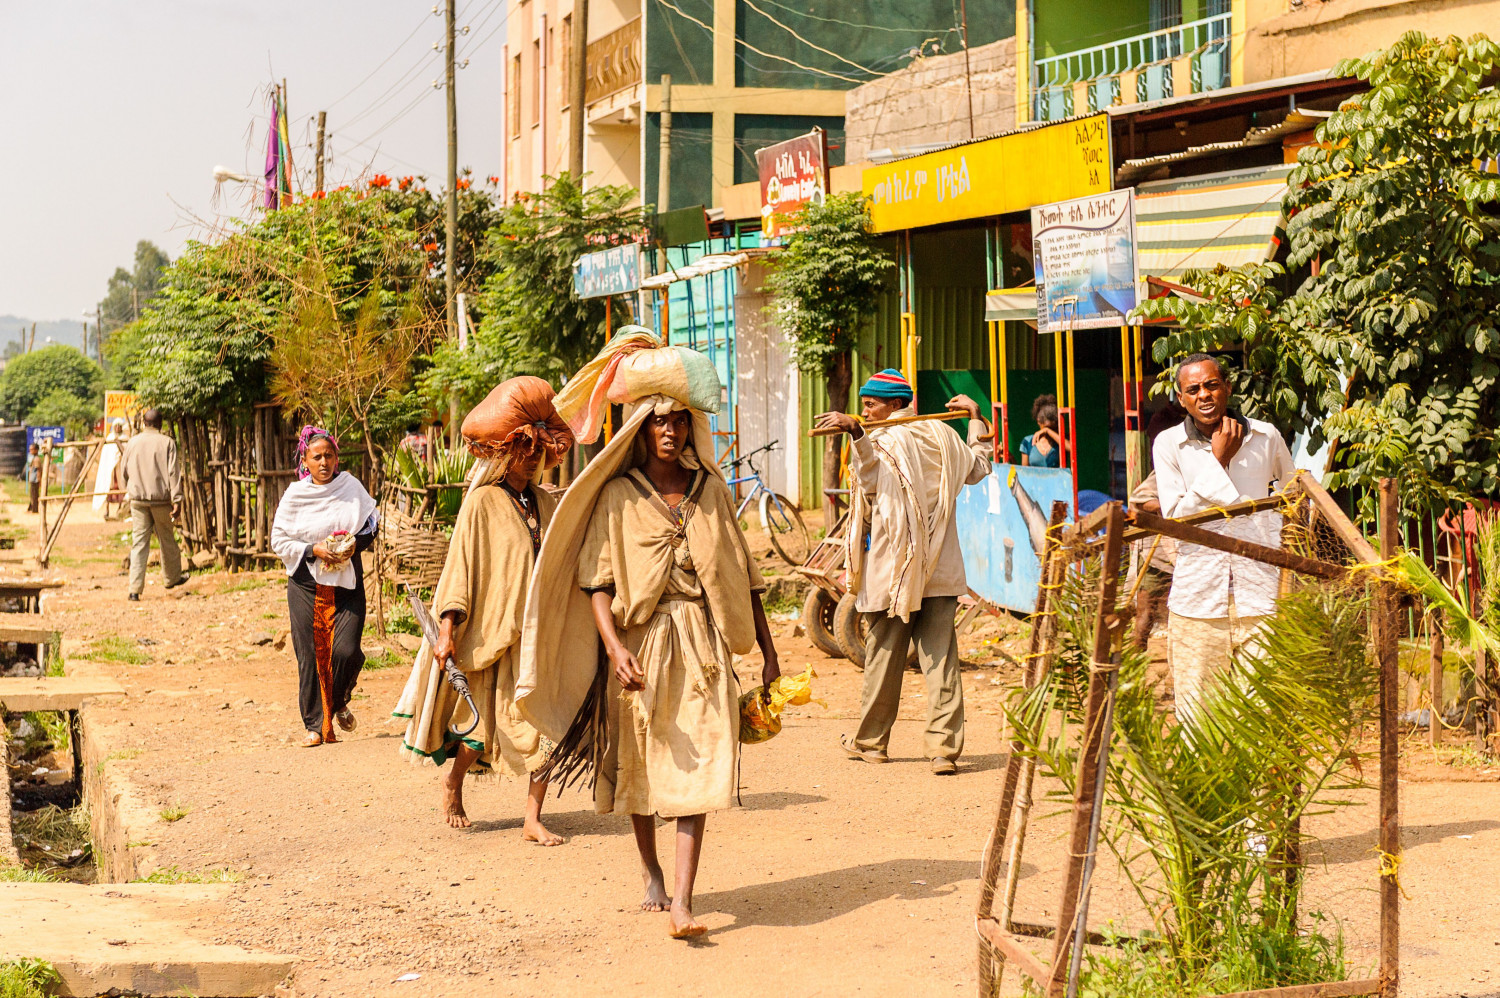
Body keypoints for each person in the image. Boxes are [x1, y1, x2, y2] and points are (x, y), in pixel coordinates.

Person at [518, 328, 780, 939]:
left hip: (704, 648)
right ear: (641, 428)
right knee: (640, 770)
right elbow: (596, 585)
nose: (671, 430)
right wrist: (614, 650)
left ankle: (685, 902)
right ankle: (652, 872)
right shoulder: (617, 496)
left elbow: (745, 579)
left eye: (680, 421)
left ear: (691, 429)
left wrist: (768, 654)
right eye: (659, 421)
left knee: (702, 769)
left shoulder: (712, 492)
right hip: (638, 649)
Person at [394, 377, 573, 843]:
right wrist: (448, 631)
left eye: (538, 450)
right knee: (482, 726)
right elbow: (461, 570)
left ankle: (533, 818)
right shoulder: (482, 503)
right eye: (524, 449)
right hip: (492, 633)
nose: (532, 458)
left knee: (545, 721)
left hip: (537, 632)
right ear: (506, 451)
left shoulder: (544, 501)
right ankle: (454, 780)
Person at [814, 369, 992, 776]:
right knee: (941, 661)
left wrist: (857, 434)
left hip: (895, 571)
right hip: (940, 571)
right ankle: (943, 750)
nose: (865, 411)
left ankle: (871, 744)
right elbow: (979, 467)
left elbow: (871, 479)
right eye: (863, 406)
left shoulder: (884, 439)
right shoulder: (944, 436)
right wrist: (976, 418)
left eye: (871, 405)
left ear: (895, 405)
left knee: (883, 657)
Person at [1153, 354, 1295, 722]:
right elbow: (1177, 521)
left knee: (1262, 714)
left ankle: (1267, 781)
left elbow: (1294, 498)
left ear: (1227, 388)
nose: (1204, 395)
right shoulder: (1169, 445)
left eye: (1212, 385)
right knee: (1199, 716)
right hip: (1197, 600)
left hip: (1260, 596)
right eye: (1193, 389)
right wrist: (1217, 460)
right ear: (1181, 399)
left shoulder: (1266, 437)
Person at [270, 427, 379, 747]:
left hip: (346, 583)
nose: (323, 462)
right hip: (306, 584)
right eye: (316, 457)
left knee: (345, 651)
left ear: (337, 458)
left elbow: (372, 523)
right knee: (310, 656)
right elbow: (279, 540)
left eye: (329, 455)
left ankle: (341, 697)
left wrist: (353, 545)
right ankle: (315, 726)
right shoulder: (295, 495)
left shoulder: (350, 487)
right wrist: (312, 549)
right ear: (305, 461)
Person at [119, 409, 187, 601]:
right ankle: (172, 578)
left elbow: (123, 469)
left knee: (139, 543)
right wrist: (177, 499)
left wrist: (129, 489)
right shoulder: (167, 443)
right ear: (160, 423)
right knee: (167, 539)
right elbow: (173, 473)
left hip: (138, 500)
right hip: (160, 500)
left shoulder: (133, 442)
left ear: (144, 423)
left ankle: (134, 590)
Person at [1018, 394, 1061, 468]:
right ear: (1039, 422)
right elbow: (1024, 471)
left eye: (1053, 428)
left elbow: (1071, 448)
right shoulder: (1028, 441)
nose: (1049, 430)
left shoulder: (1060, 440)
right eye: (1046, 427)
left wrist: (1047, 431)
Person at [24, 444, 40, 513]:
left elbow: (38, 470)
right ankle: (31, 507)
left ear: (36, 450)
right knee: (32, 494)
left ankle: (34, 509)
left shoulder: (36, 459)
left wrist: (39, 480)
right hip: (32, 479)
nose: (30, 451)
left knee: (34, 495)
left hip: (35, 480)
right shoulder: (33, 458)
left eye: (32, 449)